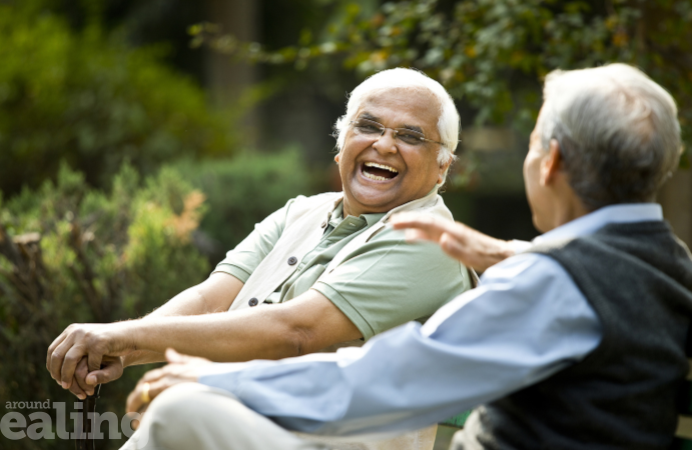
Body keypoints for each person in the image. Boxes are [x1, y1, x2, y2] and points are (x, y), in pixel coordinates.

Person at [120, 63, 692, 450]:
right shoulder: (669, 262)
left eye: (531, 143)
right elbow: (597, 287)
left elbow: (394, 377)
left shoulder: (553, 286)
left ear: (551, 163)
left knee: (181, 410)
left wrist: (225, 381)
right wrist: (521, 255)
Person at [46, 68, 475, 450]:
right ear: (341, 144)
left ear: (442, 168)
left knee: (181, 409)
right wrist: (123, 349)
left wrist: (125, 339)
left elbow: (297, 331)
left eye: (410, 135)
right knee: (179, 409)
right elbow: (209, 299)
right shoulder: (300, 211)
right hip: (249, 421)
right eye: (369, 126)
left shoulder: (428, 239)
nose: (384, 144)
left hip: (333, 438)